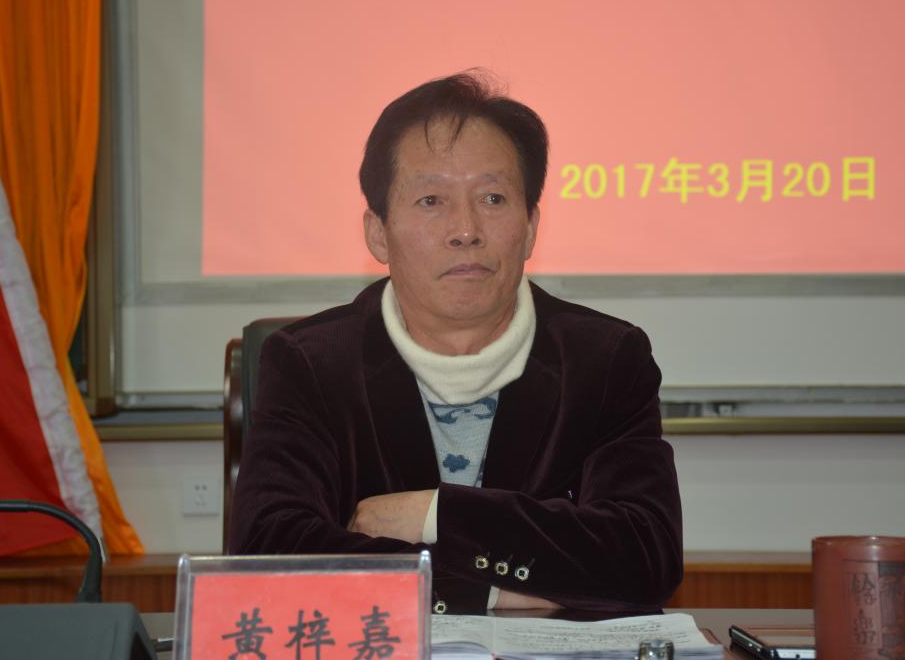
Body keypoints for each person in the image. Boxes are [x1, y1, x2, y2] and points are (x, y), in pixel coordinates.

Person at [229, 72, 683, 614]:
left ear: (531, 226)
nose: (465, 229)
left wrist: (436, 515)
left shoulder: (605, 360)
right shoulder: (311, 363)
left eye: (493, 197)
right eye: (431, 200)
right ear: (378, 232)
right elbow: (270, 552)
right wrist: (487, 593)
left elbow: (643, 555)